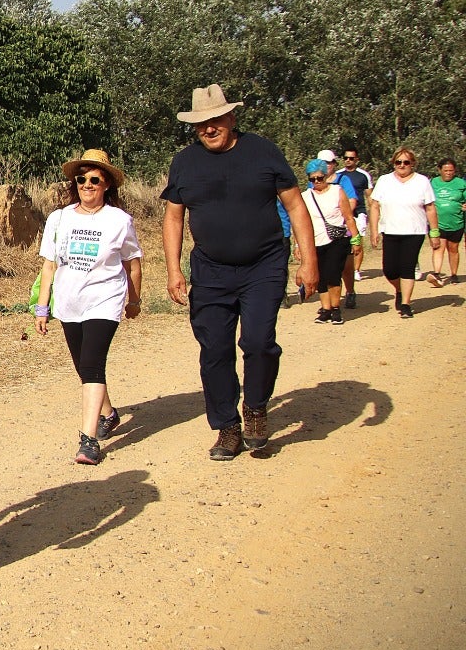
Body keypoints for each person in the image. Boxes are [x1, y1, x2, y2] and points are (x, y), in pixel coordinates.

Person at [160, 86, 317, 461]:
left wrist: (308, 261)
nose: (209, 128)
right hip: (210, 270)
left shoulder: (263, 151)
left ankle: (257, 408)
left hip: (263, 264)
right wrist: (173, 271)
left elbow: (295, 206)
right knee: (214, 350)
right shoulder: (185, 162)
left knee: (259, 342)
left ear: (231, 118)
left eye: (215, 120)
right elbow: (173, 216)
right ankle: (227, 427)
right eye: (201, 123)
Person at [33, 149, 143, 466]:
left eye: (95, 179)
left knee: (93, 363)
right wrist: (42, 308)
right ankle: (108, 414)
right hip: (69, 301)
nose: (87, 184)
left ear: (107, 184)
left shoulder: (119, 221)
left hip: (104, 300)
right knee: (83, 365)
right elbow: (49, 266)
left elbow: (132, 262)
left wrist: (133, 300)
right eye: (81, 179)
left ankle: (88, 439)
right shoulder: (59, 218)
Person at [369, 148, 439, 318]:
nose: (402, 165)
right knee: (390, 269)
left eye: (406, 162)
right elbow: (375, 206)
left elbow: (430, 208)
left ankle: (406, 304)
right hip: (391, 230)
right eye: (398, 162)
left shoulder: (422, 182)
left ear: (412, 164)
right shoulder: (385, 181)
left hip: (414, 231)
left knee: (407, 267)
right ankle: (399, 289)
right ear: (393, 163)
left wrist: (434, 232)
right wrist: (374, 230)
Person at [301, 158, 359, 326]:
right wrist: (299, 245)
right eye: (312, 179)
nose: (317, 182)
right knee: (321, 277)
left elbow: (348, 217)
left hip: (337, 240)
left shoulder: (337, 191)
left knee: (333, 274)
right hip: (315, 242)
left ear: (326, 176)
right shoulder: (305, 197)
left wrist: (356, 239)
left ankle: (335, 309)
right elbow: (301, 224)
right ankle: (325, 309)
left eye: (320, 178)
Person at [335, 146, 373, 307]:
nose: (348, 160)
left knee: (357, 242)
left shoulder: (363, 175)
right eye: (346, 158)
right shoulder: (339, 175)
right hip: (340, 215)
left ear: (356, 159)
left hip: (358, 213)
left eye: (351, 158)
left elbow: (369, 195)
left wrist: (372, 212)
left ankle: (355, 269)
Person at [429, 158, 464, 284]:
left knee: (453, 248)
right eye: (446, 170)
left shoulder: (461, 184)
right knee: (438, 247)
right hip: (438, 223)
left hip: (456, 222)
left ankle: (454, 274)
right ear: (439, 170)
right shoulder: (432, 183)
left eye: (451, 171)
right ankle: (437, 273)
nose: (448, 173)